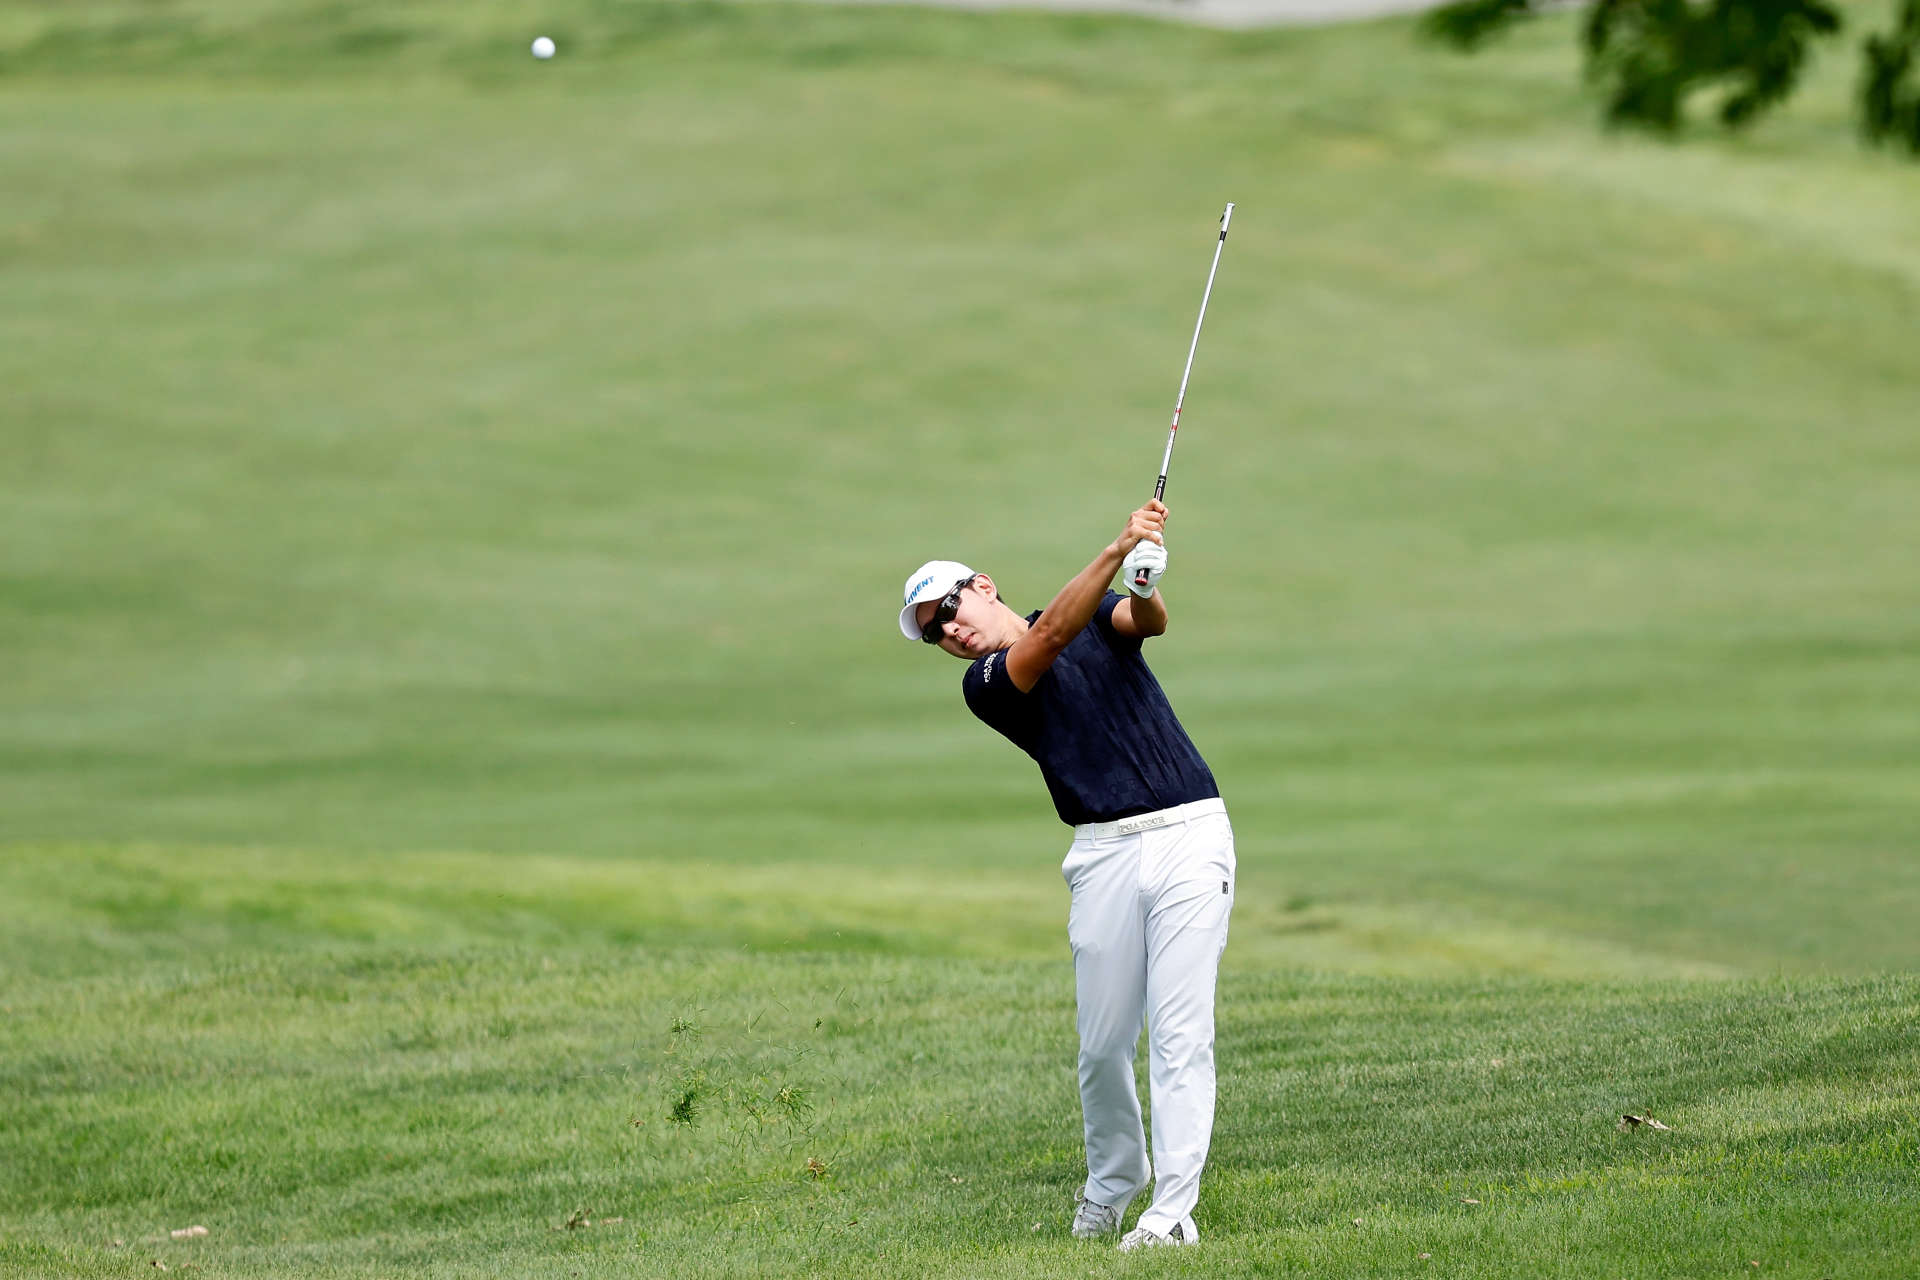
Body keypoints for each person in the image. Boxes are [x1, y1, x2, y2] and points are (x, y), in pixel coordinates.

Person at [896, 499, 1234, 1252]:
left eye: (948, 609)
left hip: (1190, 832)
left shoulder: (1090, 607)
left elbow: (1143, 625)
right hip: (1102, 852)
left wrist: (1143, 583)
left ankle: (1171, 1214)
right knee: (1103, 1045)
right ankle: (1114, 1182)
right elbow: (1049, 636)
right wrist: (1118, 548)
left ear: (984, 586)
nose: (949, 631)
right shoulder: (986, 683)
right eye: (934, 633)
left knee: (1179, 1034)